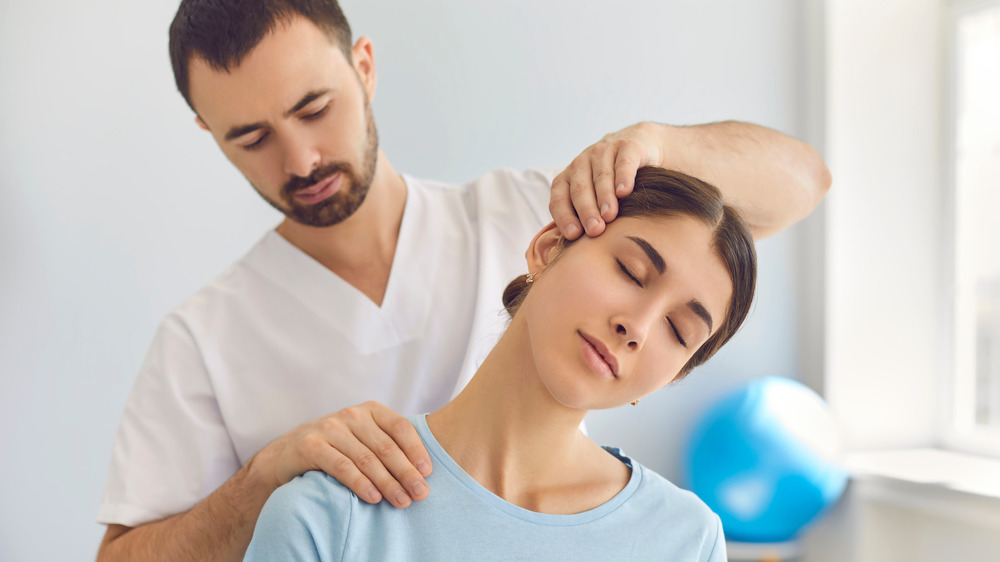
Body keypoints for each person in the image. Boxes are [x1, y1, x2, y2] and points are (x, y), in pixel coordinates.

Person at [96, 1, 831, 560]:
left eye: (313, 108)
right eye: (250, 137)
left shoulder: (538, 211)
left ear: (364, 67)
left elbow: (797, 185)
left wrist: (655, 144)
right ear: (207, 132)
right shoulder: (205, 343)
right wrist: (267, 480)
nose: (301, 160)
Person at [244, 166, 753, 561]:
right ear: (550, 248)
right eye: (630, 270)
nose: (637, 326)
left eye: (678, 331)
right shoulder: (330, 514)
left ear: (674, 376)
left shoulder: (687, 540)